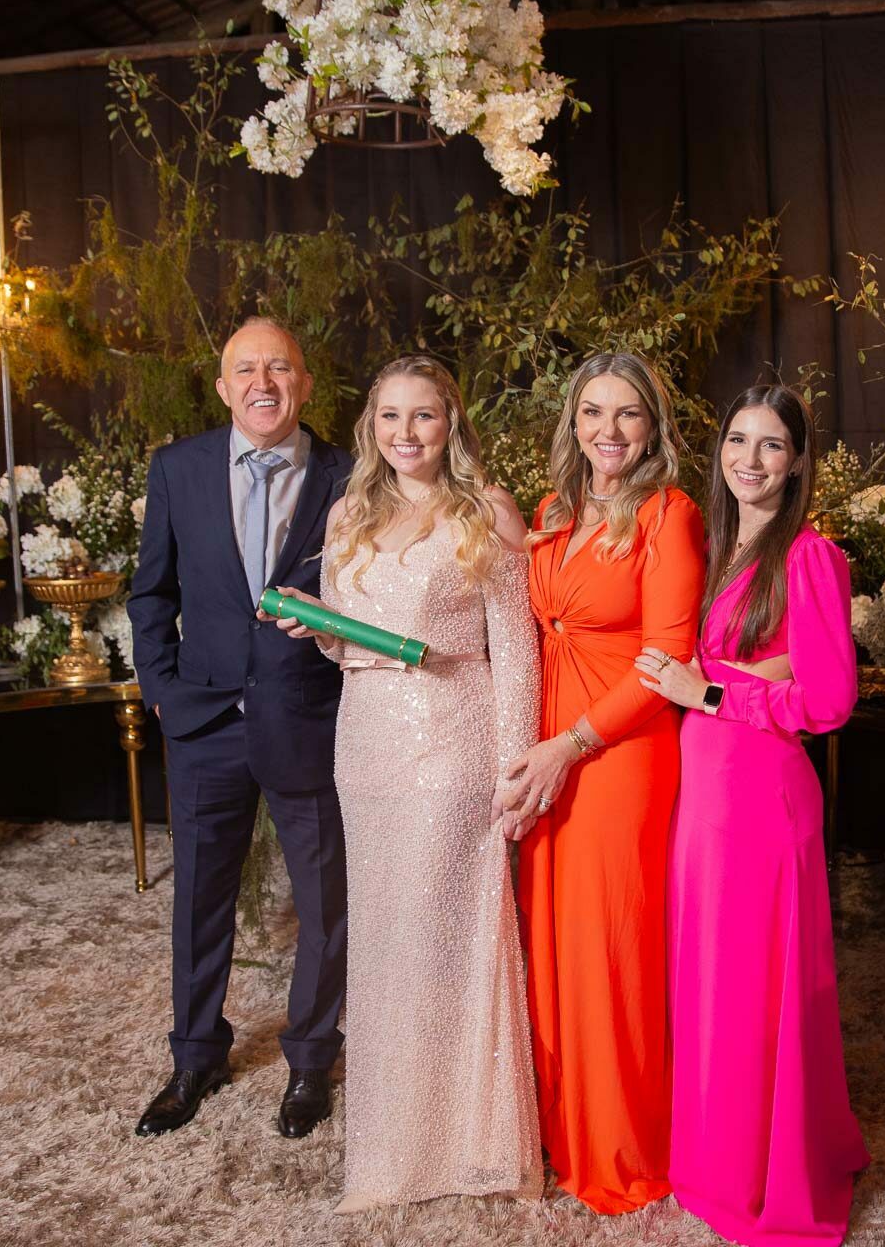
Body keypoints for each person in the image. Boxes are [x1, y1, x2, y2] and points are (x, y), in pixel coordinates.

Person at [264, 354, 543, 1211]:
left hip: (454, 745)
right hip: (366, 747)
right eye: (391, 416)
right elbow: (349, 638)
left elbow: (516, 648)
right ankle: (395, 1137)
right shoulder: (349, 511)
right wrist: (316, 628)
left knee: (444, 934)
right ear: (371, 425)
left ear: (450, 422)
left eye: (423, 415)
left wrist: (516, 767)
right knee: (385, 939)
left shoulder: (486, 511)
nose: (406, 433)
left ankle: (464, 1140)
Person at [635, 383, 870, 1247]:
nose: (751, 459)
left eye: (772, 445)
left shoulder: (808, 556)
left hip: (762, 797)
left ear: (798, 462)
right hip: (705, 791)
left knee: (752, 990)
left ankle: (757, 1174)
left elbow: (830, 702)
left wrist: (715, 691)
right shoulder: (710, 544)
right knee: (711, 982)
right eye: (739, 440)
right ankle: (713, 1154)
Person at [127, 317, 353, 1141]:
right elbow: (151, 593)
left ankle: (310, 1059)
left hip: (309, 716)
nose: (264, 383)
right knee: (199, 897)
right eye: (246, 370)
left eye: (280, 368)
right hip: (204, 720)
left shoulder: (350, 474)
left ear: (305, 384)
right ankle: (195, 1056)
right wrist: (162, 690)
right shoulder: (178, 469)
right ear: (224, 388)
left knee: (324, 902)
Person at [498, 351, 705, 1214]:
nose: (608, 430)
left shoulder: (669, 514)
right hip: (549, 742)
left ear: (653, 426)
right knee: (550, 942)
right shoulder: (555, 509)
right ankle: (560, 1131)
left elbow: (666, 662)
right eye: (593, 412)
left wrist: (569, 747)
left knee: (610, 948)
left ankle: (623, 1146)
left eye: (626, 413)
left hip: (617, 752)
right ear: (573, 421)